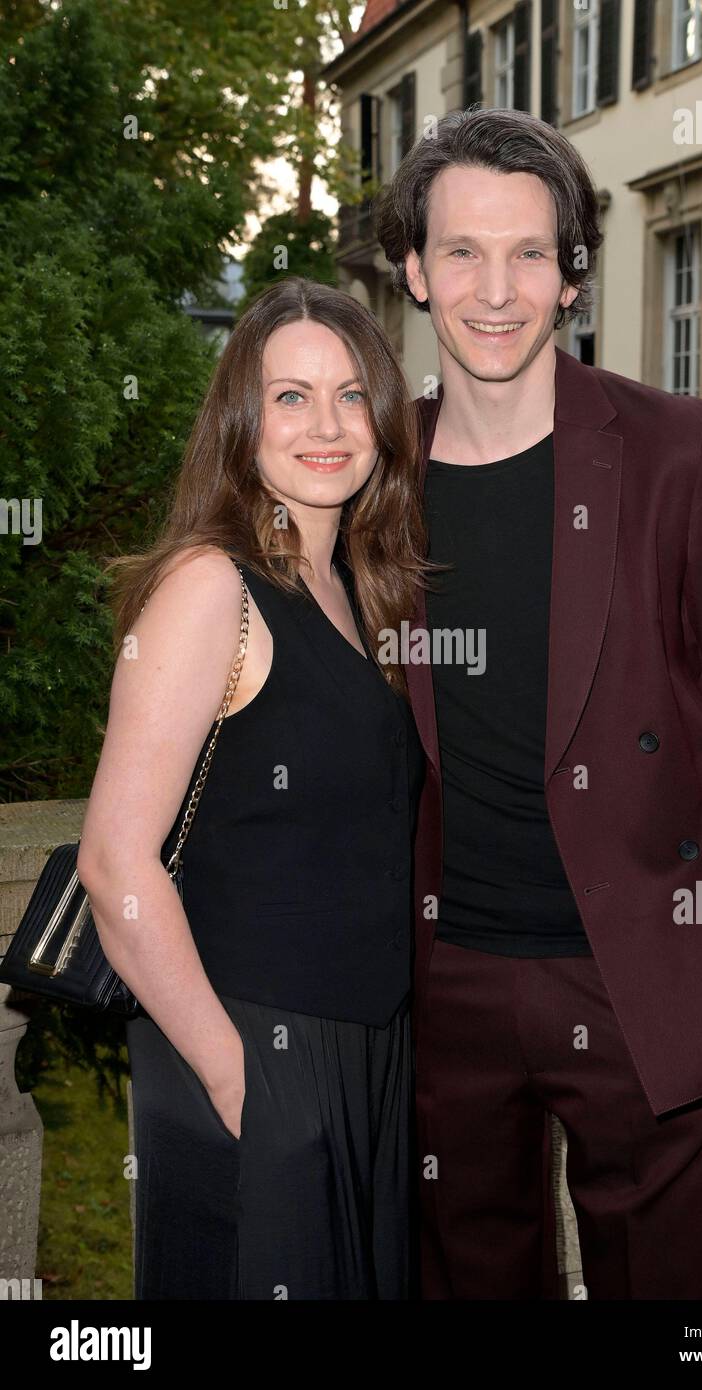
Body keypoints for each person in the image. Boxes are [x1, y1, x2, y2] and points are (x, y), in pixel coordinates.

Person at [373, 106, 702, 1300]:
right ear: (414, 271)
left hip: (641, 974)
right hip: (446, 981)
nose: (495, 289)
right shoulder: (372, 476)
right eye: (461, 251)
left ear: (572, 276)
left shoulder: (677, 450)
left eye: (530, 253)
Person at [77, 277, 429, 1299]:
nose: (326, 424)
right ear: (242, 421)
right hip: (253, 1047)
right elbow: (115, 862)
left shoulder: (357, 590)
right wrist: (240, 1078)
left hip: (365, 1053)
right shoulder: (210, 587)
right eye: (290, 396)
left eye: (351, 395)